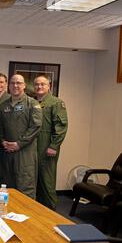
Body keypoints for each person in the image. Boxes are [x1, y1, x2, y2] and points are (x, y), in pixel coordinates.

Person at [0, 74, 42, 199]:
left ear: (24, 86)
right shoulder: (3, 106)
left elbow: (35, 127)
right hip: (7, 153)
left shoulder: (32, 104)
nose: (15, 85)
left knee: (25, 186)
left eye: (19, 83)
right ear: (9, 86)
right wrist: (3, 141)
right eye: (12, 83)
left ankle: (27, 216)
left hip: (25, 153)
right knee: (6, 186)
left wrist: (18, 144)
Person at [34, 75, 68, 210]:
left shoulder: (56, 103)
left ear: (49, 86)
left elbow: (61, 126)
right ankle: (38, 210)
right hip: (33, 146)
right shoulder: (33, 102)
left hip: (47, 146)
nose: (39, 87)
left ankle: (50, 211)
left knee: (46, 180)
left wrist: (54, 146)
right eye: (37, 84)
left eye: (43, 84)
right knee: (35, 180)